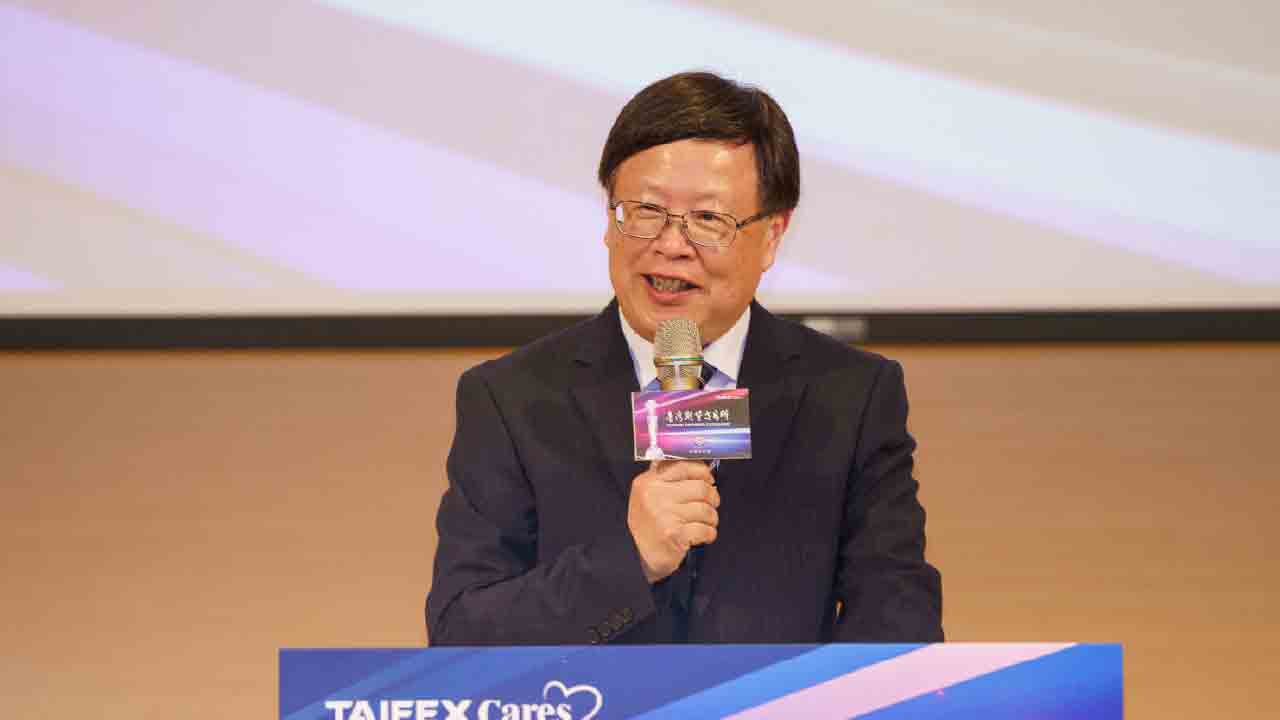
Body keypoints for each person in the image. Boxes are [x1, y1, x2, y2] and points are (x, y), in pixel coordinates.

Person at [426, 71, 942, 645]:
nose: (671, 245)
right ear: (609, 220)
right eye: (645, 210)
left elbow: (899, 624)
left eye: (707, 220)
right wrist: (628, 560)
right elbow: (460, 634)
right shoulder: (511, 399)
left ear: (772, 235)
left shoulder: (851, 397)